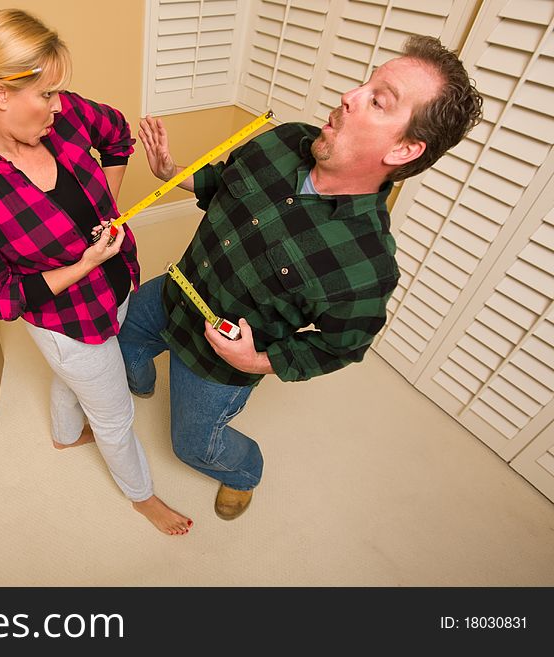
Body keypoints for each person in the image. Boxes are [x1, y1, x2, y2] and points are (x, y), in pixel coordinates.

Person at [119, 35, 483, 520]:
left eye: (378, 101)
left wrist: (258, 361)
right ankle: (138, 383)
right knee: (123, 335)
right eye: (366, 84)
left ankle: (244, 471)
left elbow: (341, 347)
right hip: (176, 289)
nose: (349, 96)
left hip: (219, 363)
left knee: (193, 448)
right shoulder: (283, 139)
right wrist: (172, 171)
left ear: (404, 148)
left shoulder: (367, 266)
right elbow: (224, 181)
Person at [0, 9, 192, 535]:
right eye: (46, 94)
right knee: (114, 412)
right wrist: (81, 265)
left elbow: (118, 134)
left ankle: (64, 433)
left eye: (58, 92)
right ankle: (142, 497)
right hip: (69, 322)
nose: (58, 105)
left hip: (118, 282)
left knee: (77, 379)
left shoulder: (66, 115)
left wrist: (108, 210)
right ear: (1, 93)